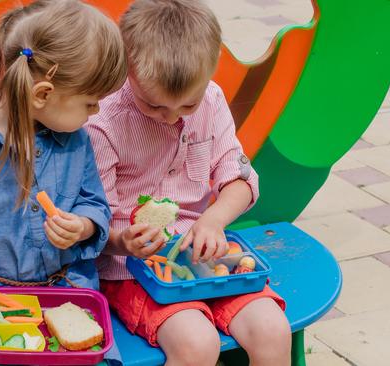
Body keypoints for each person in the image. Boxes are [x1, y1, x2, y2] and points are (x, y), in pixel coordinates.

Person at [0, 1, 127, 364]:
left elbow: (94, 204)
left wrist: (82, 226)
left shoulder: (76, 139)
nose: (97, 114)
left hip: (70, 293)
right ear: (43, 94)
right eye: (91, 103)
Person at [85, 1, 291, 365]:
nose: (171, 118)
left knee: (272, 330)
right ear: (127, 68)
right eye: (154, 106)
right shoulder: (104, 121)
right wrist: (121, 241)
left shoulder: (210, 100)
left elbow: (240, 181)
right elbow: (92, 219)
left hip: (206, 256)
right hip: (132, 270)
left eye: (186, 106)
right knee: (197, 343)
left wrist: (212, 220)